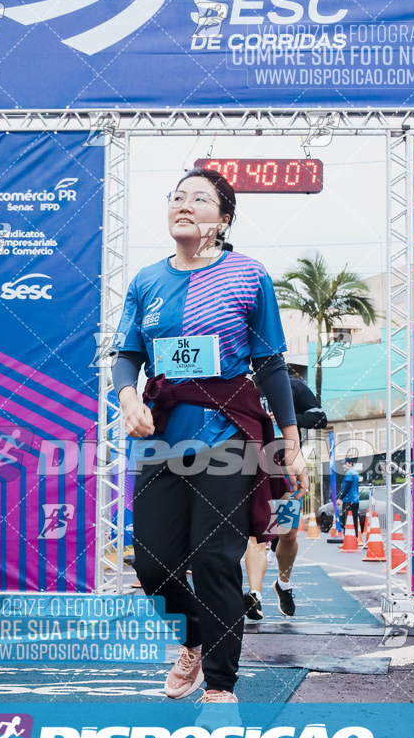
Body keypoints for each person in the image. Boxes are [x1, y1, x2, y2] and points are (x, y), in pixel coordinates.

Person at [112, 168, 308, 705]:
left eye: (200, 199)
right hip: (163, 437)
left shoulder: (248, 275)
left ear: (222, 219)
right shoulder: (147, 280)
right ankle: (194, 638)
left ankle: (221, 685)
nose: (184, 205)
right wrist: (129, 398)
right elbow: (127, 354)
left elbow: (269, 362)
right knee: (151, 564)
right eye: (176, 197)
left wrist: (289, 439)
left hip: (228, 434)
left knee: (217, 559)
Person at [244, 370, 326, 619]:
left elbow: (319, 418)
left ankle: (283, 584)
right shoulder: (240, 385)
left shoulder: (291, 385)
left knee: (288, 533)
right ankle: (254, 596)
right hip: (252, 460)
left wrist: (285, 422)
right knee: (256, 532)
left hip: (285, 460)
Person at [340, 457, 360, 536]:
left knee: (347, 521)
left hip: (348, 500)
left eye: (345, 464)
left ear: (350, 463)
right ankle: (356, 539)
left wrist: (340, 498)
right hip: (355, 500)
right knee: (354, 520)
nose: (343, 466)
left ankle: (347, 541)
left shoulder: (348, 473)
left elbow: (347, 487)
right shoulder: (355, 473)